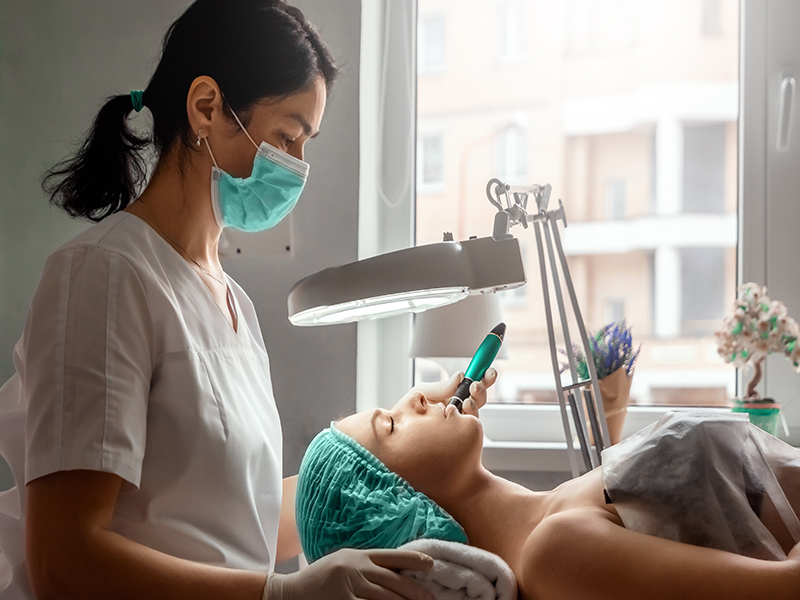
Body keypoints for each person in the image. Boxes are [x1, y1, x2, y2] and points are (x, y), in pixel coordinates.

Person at [0, 2, 494, 599]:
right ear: (207, 107)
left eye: (305, 142)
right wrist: (279, 596)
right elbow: (64, 561)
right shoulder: (103, 276)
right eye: (288, 135)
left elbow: (247, 517)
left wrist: (407, 430)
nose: (298, 166)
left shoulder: (230, 301)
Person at [297, 389, 800, 600]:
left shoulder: (557, 511)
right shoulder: (554, 553)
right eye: (391, 423)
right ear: (394, 503)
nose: (416, 397)